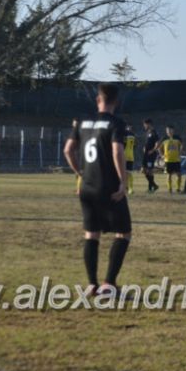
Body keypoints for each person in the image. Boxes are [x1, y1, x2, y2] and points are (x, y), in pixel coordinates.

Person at [63, 83, 131, 295]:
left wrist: (79, 172)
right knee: (123, 233)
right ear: (116, 102)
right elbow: (117, 151)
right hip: (109, 187)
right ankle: (109, 283)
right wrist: (122, 180)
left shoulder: (82, 122)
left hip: (87, 187)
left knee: (91, 234)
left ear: (98, 100)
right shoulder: (116, 123)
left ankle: (91, 285)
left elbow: (68, 150)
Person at [158, 125, 183, 194]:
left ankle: (178, 188)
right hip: (168, 160)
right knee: (169, 174)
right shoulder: (164, 138)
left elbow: (181, 146)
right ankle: (170, 189)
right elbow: (159, 148)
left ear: (173, 130)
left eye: (170, 130)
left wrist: (180, 153)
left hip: (176, 159)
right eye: (167, 130)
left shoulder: (177, 138)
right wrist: (162, 155)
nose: (168, 131)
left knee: (179, 174)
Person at [141, 118, 160, 193]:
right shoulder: (148, 132)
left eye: (145, 124)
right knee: (144, 170)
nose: (144, 126)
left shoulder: (154, 132)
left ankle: (150, 187)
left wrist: (152, 151)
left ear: (148, 124)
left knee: (149, 170)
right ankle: (154, 185)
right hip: (146, 154)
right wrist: (144, 147)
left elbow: (157, 143)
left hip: (151, 155)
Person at [124, 123, 137, 195]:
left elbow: (122, 144)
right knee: (128, 172)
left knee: (124, 173)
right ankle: (129, 188)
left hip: (124, 155)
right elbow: (135, 146)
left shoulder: (124, 134)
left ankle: (127, 188)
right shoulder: (133, 135)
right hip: (131, 156)